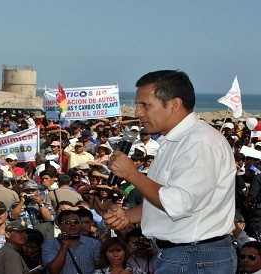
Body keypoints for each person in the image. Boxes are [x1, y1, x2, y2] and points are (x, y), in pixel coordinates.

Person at [103, 70, 237, 272]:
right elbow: (174, 200)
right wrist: (130, 215)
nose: (137, 112)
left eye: (145, 105)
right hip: (183, 255)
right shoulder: (174, 141)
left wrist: (132, 175)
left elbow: (179, 203)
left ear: (174, 104)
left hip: (194, 257)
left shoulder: (199, 143)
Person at [42, 209, 100, 274]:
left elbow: (102, 267)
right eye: (68, 222)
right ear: (59, 224)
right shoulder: (49, 245)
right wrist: (64, 246)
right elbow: (54, 270)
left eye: (76, 222)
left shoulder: (94, 244)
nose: (73, 225)